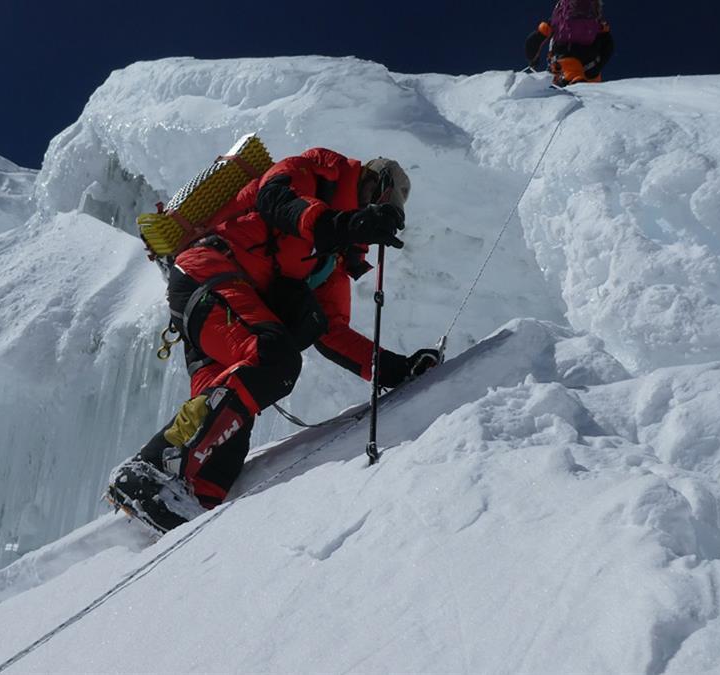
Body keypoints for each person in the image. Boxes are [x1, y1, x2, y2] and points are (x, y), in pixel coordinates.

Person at [108, 148, 442, 532]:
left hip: (232, 310)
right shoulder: (318, 171)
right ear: (372, 179)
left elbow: (332, 333)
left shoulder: (330, 261)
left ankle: (176, 511)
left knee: (223, 449)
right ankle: (149, 469)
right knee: (274, 359)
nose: (371, 210)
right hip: (208, 273)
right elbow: (274, 199)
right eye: (379, 201)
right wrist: (342, 224)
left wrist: (398, 370)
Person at [525, 0, 615, 87]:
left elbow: (534, 40)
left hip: (562, 63)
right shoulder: (598, 23)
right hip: (589, 68)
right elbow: (608, 46)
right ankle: (577, 78)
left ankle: (572, 77)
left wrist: (533, 60)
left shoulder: (556, 20)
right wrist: (597, 68)